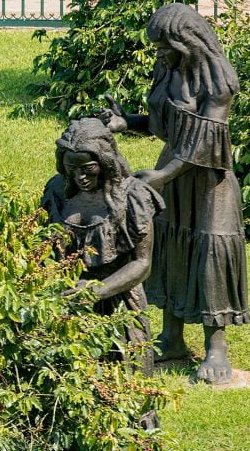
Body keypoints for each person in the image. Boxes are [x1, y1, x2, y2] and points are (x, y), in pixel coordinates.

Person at [101, 3, 248, 385]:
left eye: (165, 46)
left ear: (189, 42)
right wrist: (125, 122)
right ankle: (172, 338)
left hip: (209, 179)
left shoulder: (219, 81)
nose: (159, 54)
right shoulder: (168, 71)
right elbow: (160, 123)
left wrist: (165, 174)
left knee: (209, 253)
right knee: (168, 247)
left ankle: (216, 348)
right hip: (172, 170)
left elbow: (207, 136)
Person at [41, 118, 164, 427]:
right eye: (72, 168)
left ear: (105, 162)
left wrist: (96, 291)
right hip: (68, 299)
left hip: (120, 302)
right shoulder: (58, 191)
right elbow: (43, 246)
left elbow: (142, 264)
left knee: (128, 383)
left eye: (88, 169)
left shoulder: (134, 197)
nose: (80, 176)